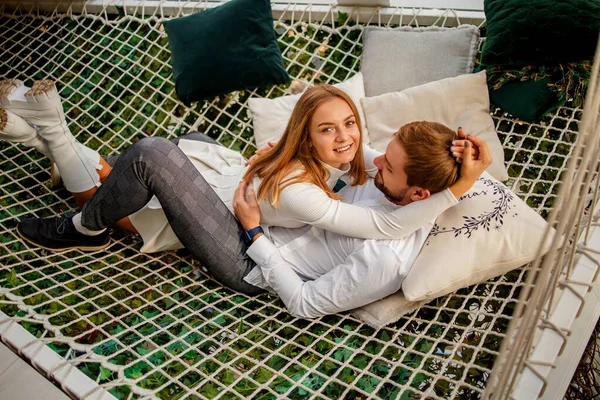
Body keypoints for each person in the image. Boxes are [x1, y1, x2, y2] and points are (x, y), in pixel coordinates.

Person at [2, 78, 480, 296]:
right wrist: (267, 163)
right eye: (330, 128)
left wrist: (459, 183)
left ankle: (84, 227)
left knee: (150, 156)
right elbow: (382, 168)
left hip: (241, 248)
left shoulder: (309, 189)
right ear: (306, 134)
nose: (352, 141)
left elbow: (385, 220)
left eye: (350, 124)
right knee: (171, 152)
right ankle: (42, 137)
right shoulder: (347, 160)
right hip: (240, 199)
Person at [231, 122, 492, 317]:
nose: (376, 161)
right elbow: (345, 150)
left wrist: (254, 232)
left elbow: (304, 303)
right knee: (196, 143)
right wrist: (284, 152)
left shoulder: (386, 258)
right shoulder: (385, 181)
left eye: (388, 166)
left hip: (248, 258)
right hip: (269, 206)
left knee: (187, 181)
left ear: (420, 194)